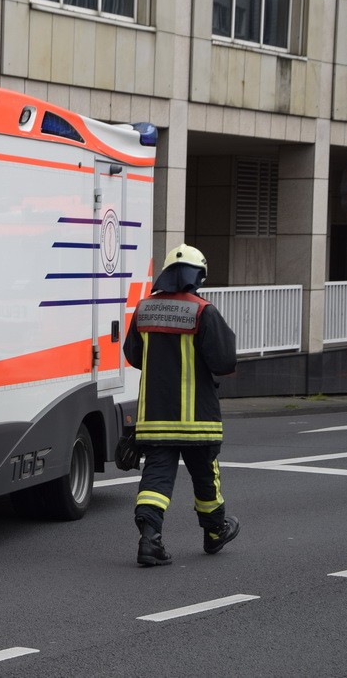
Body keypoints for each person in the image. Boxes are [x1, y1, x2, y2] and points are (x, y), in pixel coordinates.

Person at [122, 243, 240, 567]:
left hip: (156, 418)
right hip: (197, 419)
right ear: (196, 277)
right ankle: (215, 531)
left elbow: (133, 356)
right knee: (205, 476)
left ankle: (150, 541)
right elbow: (224, 361)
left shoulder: (144, 309)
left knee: (156, 479)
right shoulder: (203, 311)